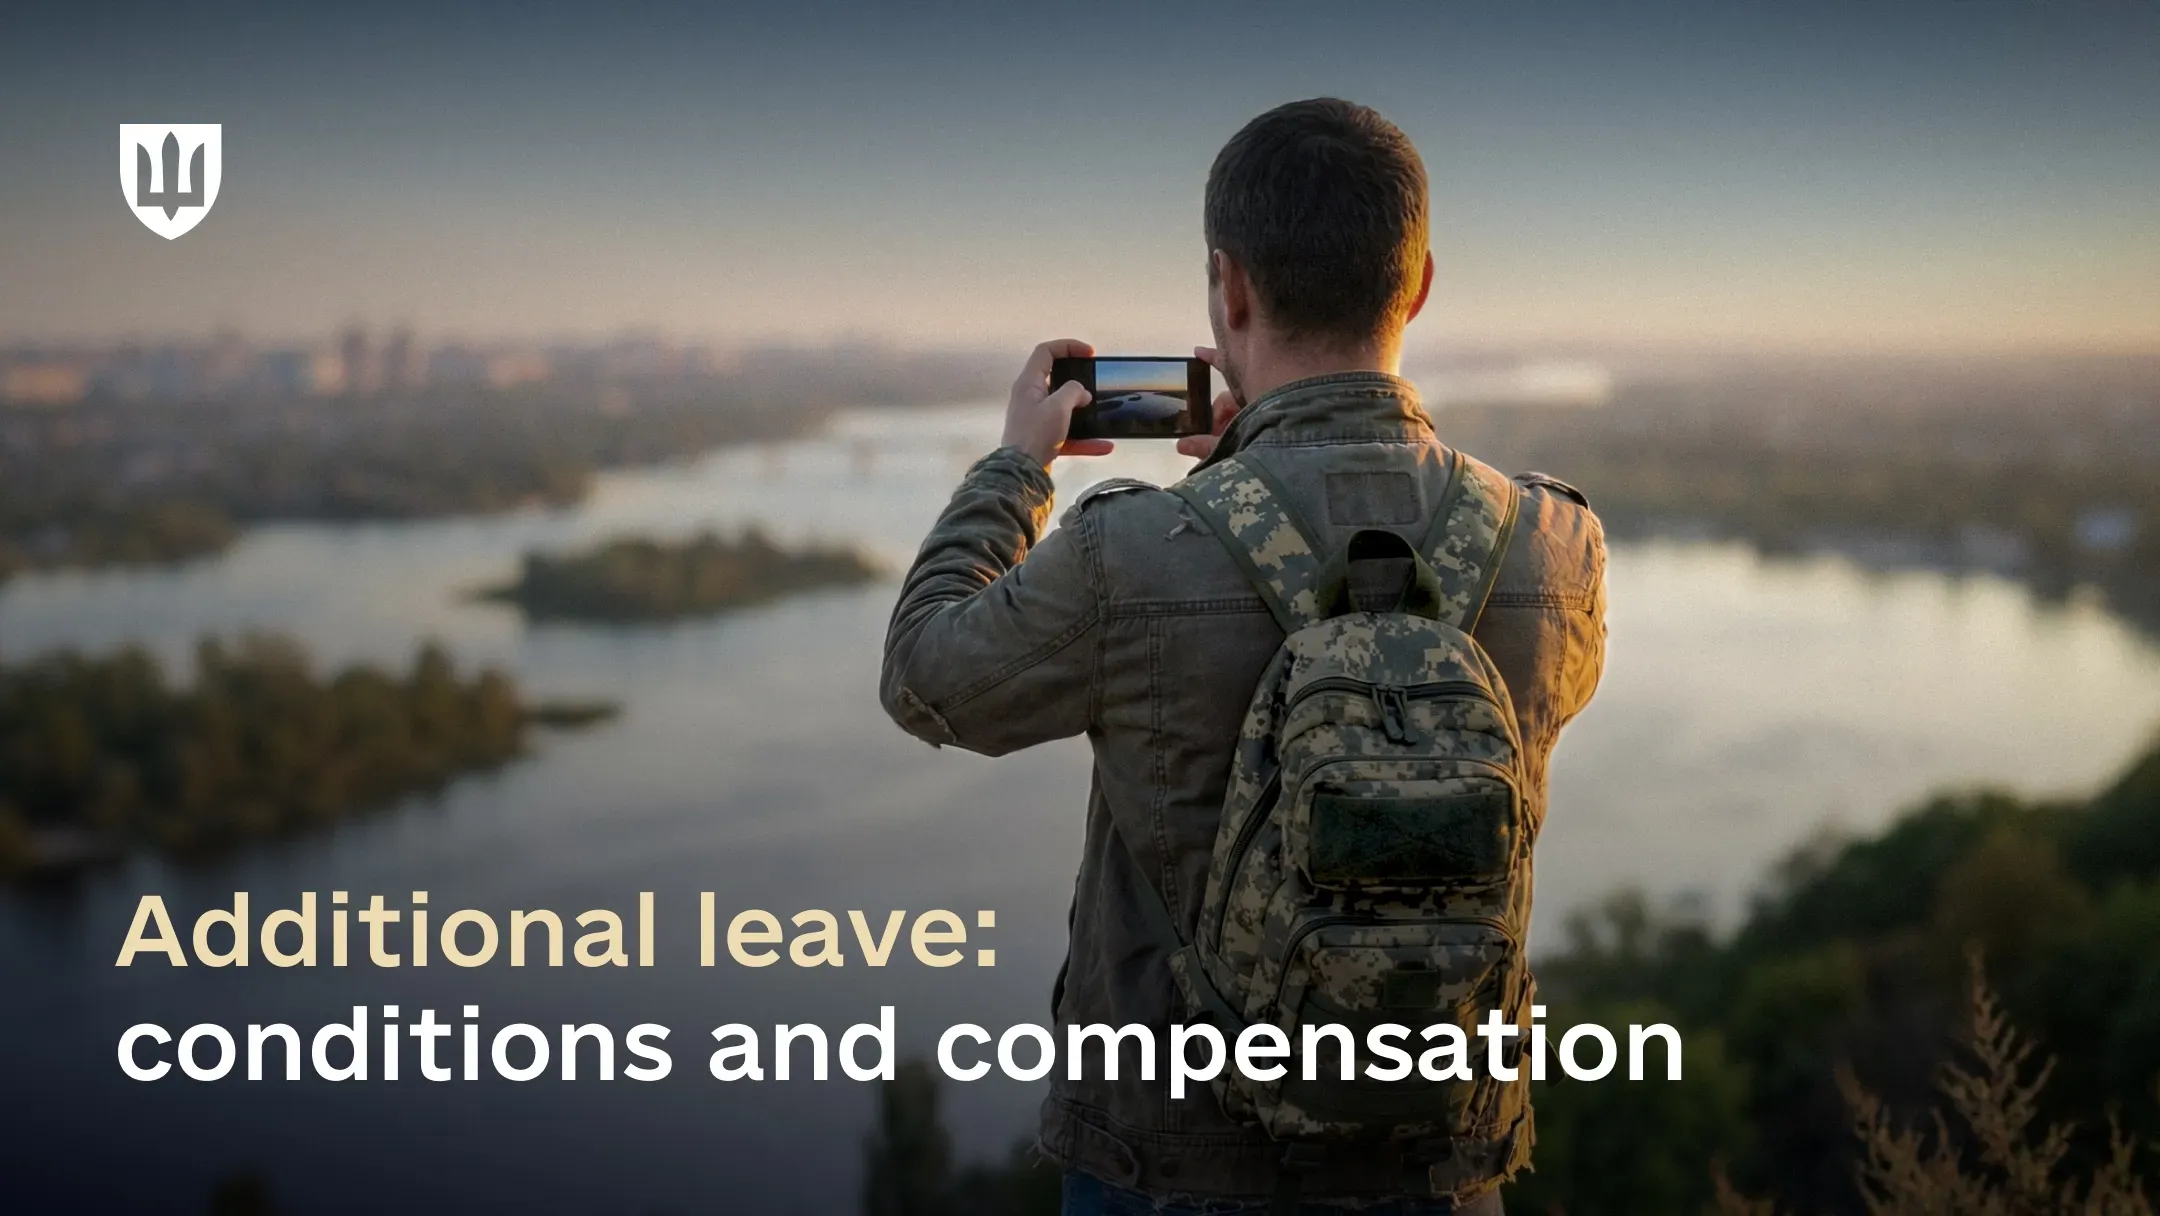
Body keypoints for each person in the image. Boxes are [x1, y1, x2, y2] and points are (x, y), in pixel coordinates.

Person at [881, 98, 1607, 1216]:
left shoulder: (1128, 553)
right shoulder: (1553, 551)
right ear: (1417, 286)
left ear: (1229, 289)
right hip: (1437, 1178)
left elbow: (927, 676)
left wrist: (1015, 470)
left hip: (1168, 1178)